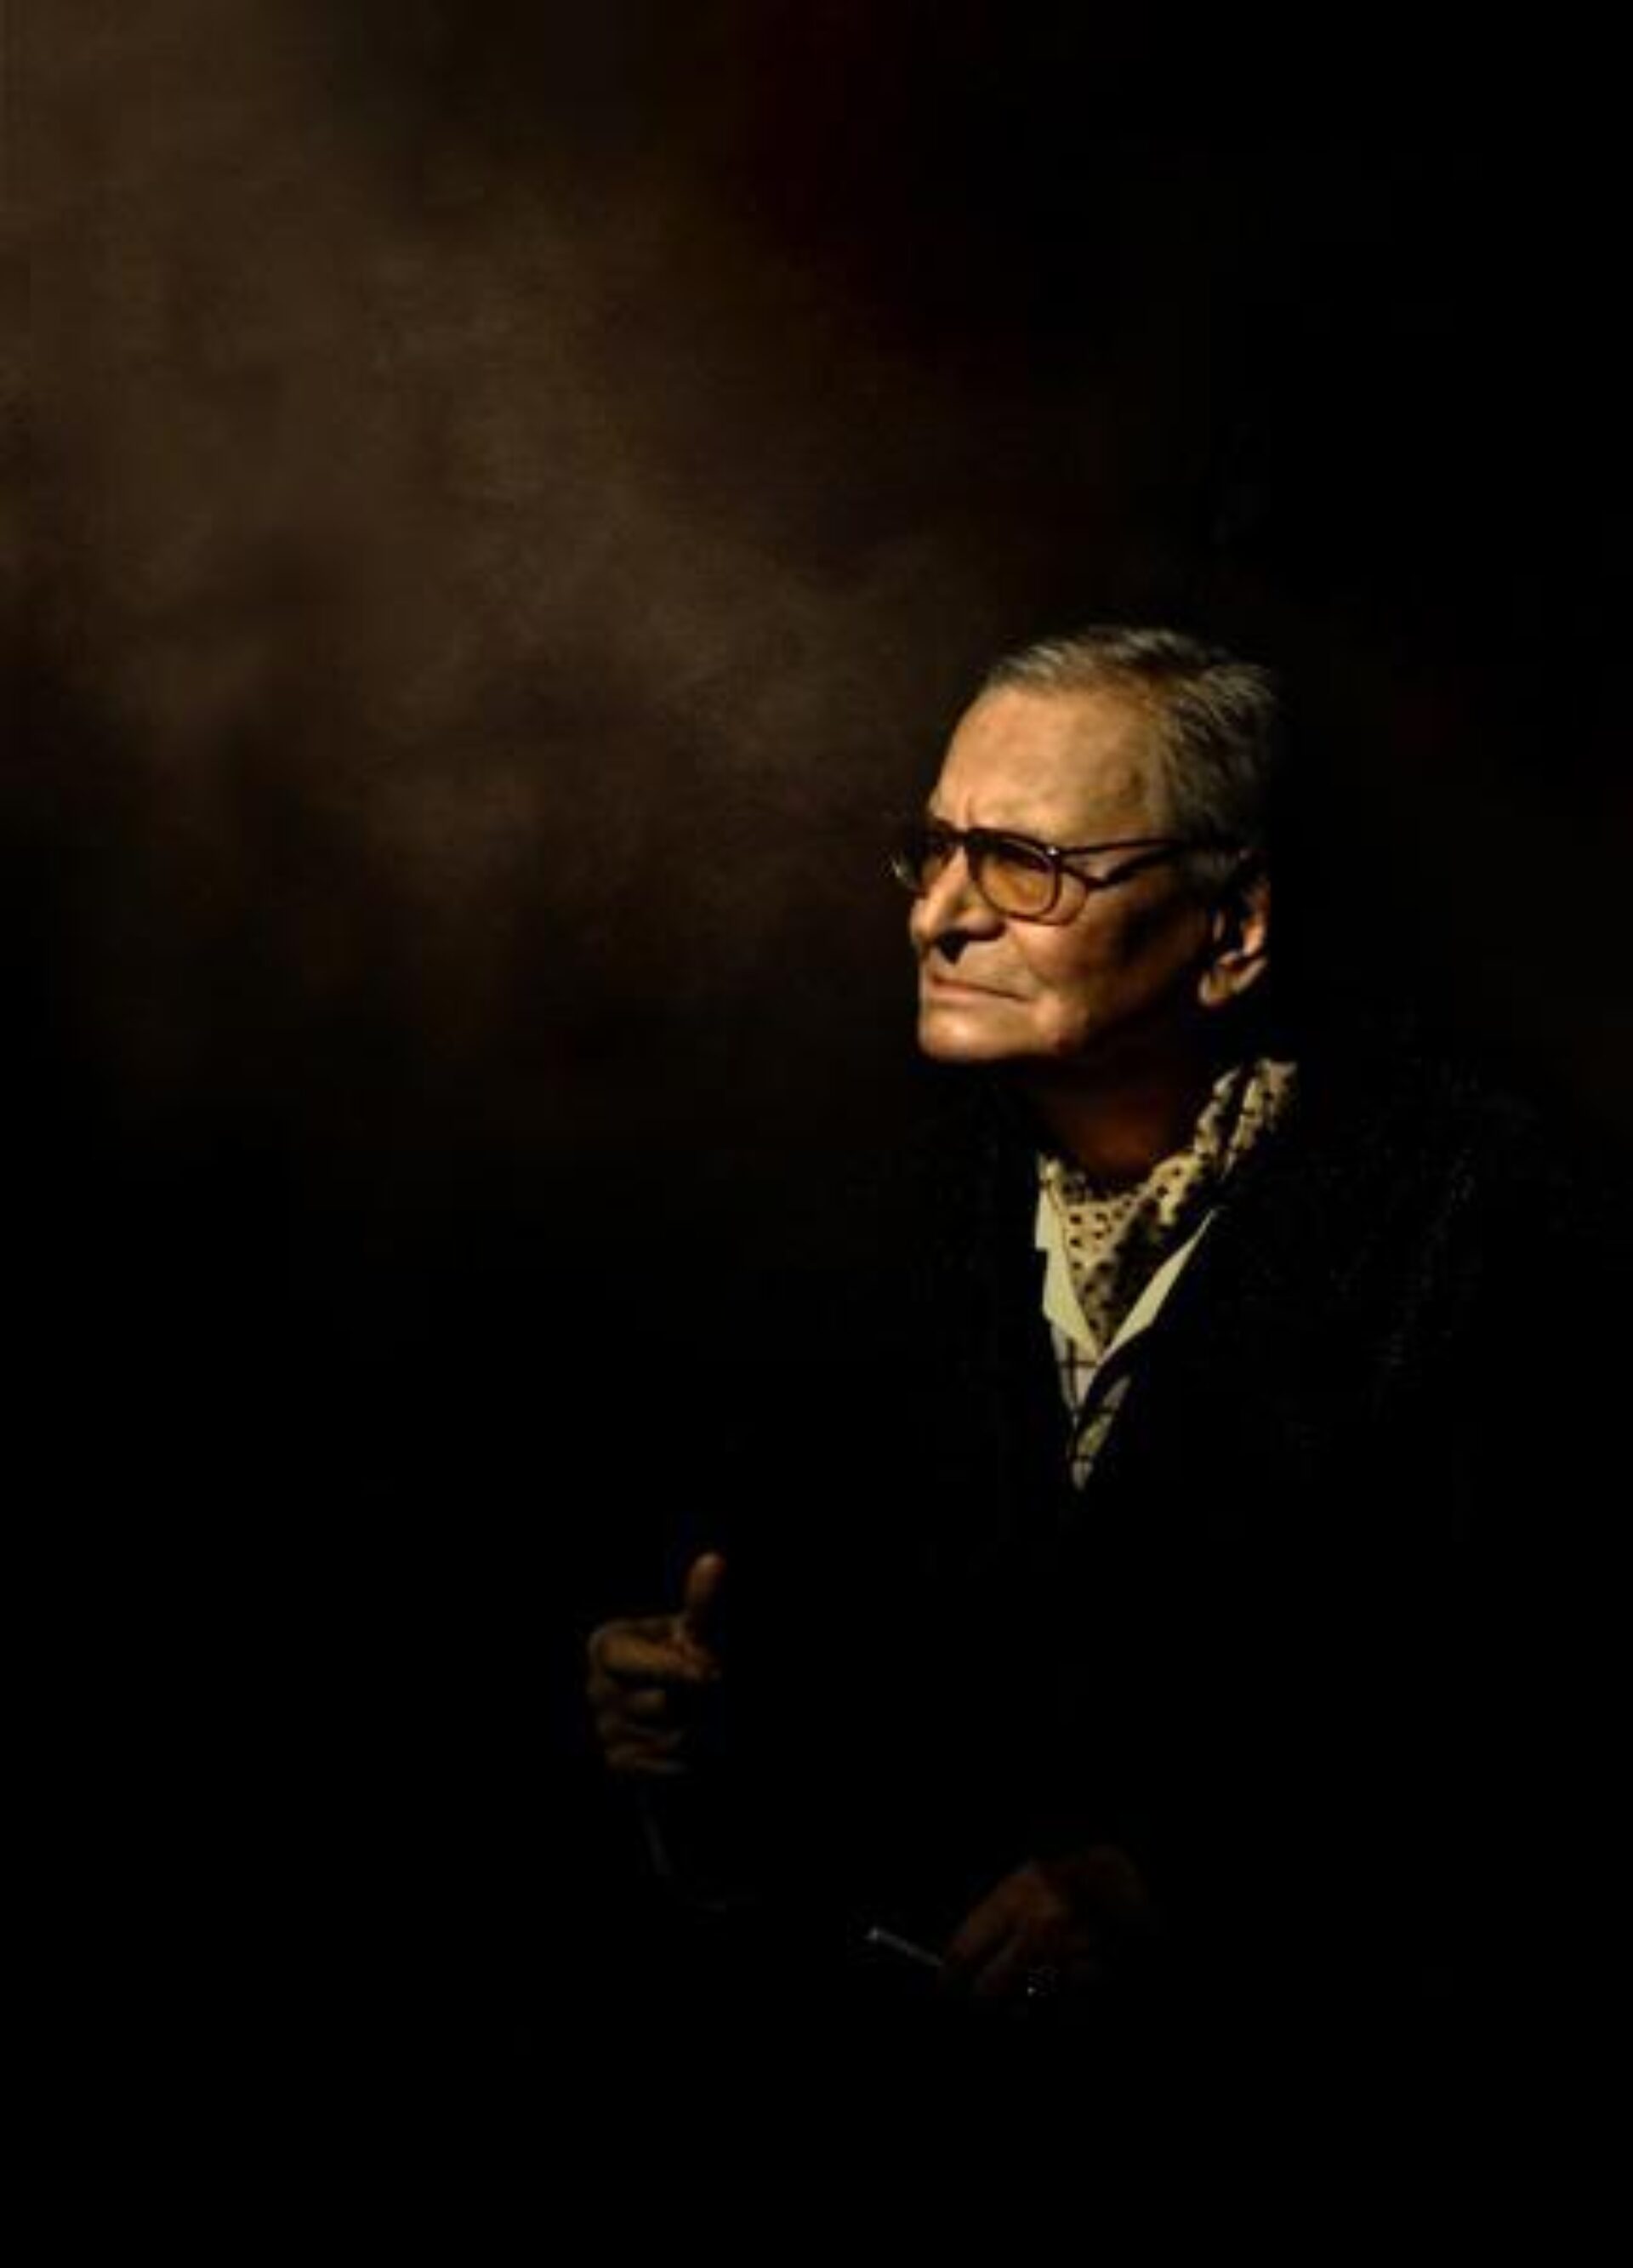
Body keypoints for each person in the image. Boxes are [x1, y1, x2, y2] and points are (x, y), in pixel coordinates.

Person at [583, 624, 1619, 2157]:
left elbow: (1557, 1723)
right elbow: (846, 1724)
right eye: (934, 851)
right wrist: (689, 1731)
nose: (940, 915)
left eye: (1024, 865)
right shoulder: (871, 1217)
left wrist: (1181, 1894)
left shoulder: (1478, 1221)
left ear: (1234, 925)